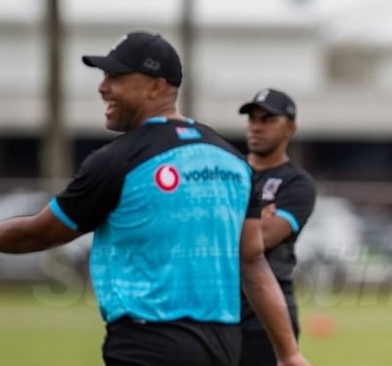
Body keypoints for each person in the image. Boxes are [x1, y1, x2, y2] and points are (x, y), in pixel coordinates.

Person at [0, 31, 310, 366]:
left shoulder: (119, 160)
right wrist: (289, 354)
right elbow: (253, 261)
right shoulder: (232, 160)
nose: (103, 87)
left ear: (156, 86)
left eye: (115, 77)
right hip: (223, 347)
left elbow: (38, 233)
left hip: (148, 343)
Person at [237, 88, 317, 366]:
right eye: (252, 119)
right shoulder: (231, 173)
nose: (256, 127)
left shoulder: (297, 183)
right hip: (219, 310)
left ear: (290, 128)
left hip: (266, 318)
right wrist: (257, 217)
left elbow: (262, 239)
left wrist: (232, 221)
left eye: (268, 119)